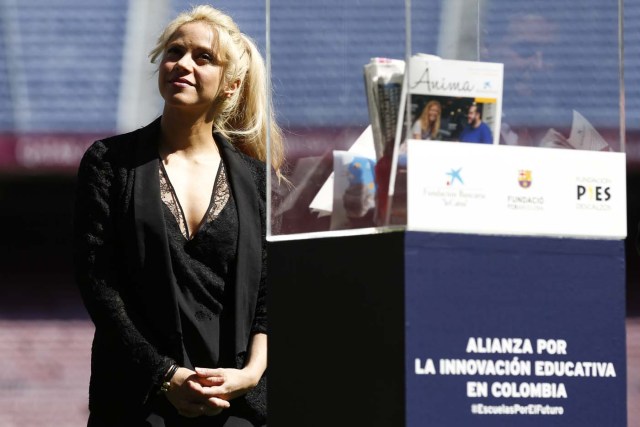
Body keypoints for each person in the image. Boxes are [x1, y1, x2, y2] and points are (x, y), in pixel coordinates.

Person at [73, 5, 283, 426]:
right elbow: (100, 287)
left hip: (234, 407)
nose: (182, 64)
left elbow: (267, 297)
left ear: (231, 85)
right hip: (138, 401)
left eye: (202, 57)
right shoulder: (108, 162)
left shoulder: (255, 180)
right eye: (174, 51)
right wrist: (167, 376)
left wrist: (250, 374)